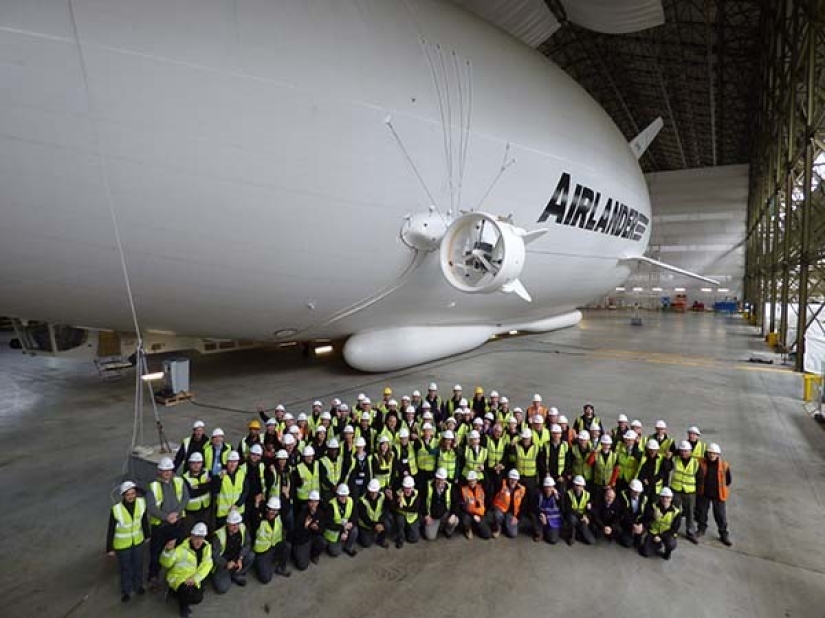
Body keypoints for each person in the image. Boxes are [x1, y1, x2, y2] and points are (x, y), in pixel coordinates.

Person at [147, 457, 189, 588]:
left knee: (178, 550)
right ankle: (153, 577)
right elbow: (151, 507)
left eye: (169, 470)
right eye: (164, 470)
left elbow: (185, 498)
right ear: (159, 471)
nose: (167, 473)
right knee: (156, 553)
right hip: (161, 526)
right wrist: (166, 517)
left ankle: (177, 574)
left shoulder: (179, 481)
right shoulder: (153, 486)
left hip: (177, 523)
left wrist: (176, 513)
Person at [106, 480, 150, 602]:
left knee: (138, 565)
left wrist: (147, 535)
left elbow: (144, 521)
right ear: (123, 496)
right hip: (122, 545)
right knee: (125, 568)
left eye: (133, 493)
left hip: (138, 541)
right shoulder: (116, 510)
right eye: (128, 494)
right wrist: (109, 548)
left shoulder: (141, 503)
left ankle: (139, 586)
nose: (131, 496)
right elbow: (111, 529)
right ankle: (126, 590)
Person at [160, 522, 213, 618]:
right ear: (191, 536)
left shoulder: (207, 547)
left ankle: (176, 593)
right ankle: (183, 608)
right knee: (186, 591)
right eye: (196, 537)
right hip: (178, 577)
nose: (199, 541)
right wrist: (167, 551)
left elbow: (207, 565)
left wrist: (195, 578)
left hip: (193, 577)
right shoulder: (181, 548)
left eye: (201, 538)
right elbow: (166, 564)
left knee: (197, 599)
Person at [696, 442, 732, 546]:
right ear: (706, 453)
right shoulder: (701, 463)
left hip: (718, 495)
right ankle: (701, 529)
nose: (712, 455)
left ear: (718, 455)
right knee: (702, 513)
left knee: (720, 515)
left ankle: (723, 534)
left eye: (714, 453)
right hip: (704, 494)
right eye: (710, 453)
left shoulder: (724, 465)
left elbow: (728, 481)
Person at [211, 508, 253, 593]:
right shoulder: (218, 535)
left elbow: (247, 544)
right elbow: (215, 556)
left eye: (237, 524)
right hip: (224, 563)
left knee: (251, 556)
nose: (235, 527)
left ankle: (236, 574)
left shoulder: (242, 528)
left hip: (237, 558)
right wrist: (226, 564)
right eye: (233, 524)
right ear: (227, 524)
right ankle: (229, 574)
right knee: (222, 589)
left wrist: (240, 558)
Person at [253, 497, 292, 582]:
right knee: (266, 579)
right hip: (263, 552)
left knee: (287, 546)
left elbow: (287, 508)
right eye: (270, 510)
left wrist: (286, 496)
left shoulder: (278, 517)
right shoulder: (259, 520)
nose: (272, 512)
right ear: (267, 509)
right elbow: (254, 519)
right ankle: (267, 564)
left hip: (275, 547)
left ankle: (280, 568)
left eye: (275, 510)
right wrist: (256, 504)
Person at [670, 440, 699, 544]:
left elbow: (699, 478)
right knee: (674, 511)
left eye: (686, 451)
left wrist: (698, 492)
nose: (684, 453)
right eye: (682, 451)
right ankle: (673, 530)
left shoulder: (695, 462)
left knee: (690, 512)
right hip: (676, 489)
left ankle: (690, 532)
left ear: (690, 451)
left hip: (689, 492)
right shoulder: (675, 459)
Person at [640, 487, 682, 560]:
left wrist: (661, 536)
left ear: (671, 498)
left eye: (667, 497)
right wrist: (653, 516)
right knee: (645, 553)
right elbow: (645, 520)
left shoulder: (676, 512)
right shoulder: (654, 507)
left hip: (667, 534)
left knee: (671, 544)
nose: (665, 499)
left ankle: (667, 552)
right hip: (653, 532)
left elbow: (675, 529)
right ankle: (657, 545)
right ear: (660, 497)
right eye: (663, 497)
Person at [292, 490, 327, 569]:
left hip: (313, 537)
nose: (313, 504)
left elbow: (323, 529)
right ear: (308, 502)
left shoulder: (320, 513)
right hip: (303, 539)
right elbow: (296, 534)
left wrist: (317, 528)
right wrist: (305, 527)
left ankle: (313, 555)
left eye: (315, 502)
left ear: (318, 502)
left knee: (323, 542)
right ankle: (298, 553)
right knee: (302, 566)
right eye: (311, 501)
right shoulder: (302, 514)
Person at [214, 451, 247, 529]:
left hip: (238, 512)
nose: (232, 464)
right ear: (227, 462)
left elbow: (245, 491)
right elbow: (214, 490)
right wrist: (219, 479)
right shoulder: (220, 475)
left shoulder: (242, 474)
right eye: (230, 462)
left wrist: (237, 504)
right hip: (223, 514)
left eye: (235, 462)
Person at [423, 468, 458, 540]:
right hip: (432, 516)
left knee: (456, 520)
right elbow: (422, 502)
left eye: (442, 479)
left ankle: (447, 531)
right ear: (435, 478)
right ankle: (437, 527)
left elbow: (456, 502)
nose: (440, 482)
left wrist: (453, 514)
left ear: (445, 479)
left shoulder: (450, 487)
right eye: (438, 479)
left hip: (445, 514)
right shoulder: (427, 486)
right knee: (430, 537)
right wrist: (426, 515)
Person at [324, 484, 359, 557]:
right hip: (334, 532)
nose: (343, 498)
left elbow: (355, 515)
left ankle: (348, 547)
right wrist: (342, 530)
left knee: (355, 530)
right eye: (341, 495)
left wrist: (351, 523)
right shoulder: (331, 505)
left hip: (345, 528)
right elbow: (329, 523)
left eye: (345, 495)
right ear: (337, 495)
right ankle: (330, 544)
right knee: (335, 552)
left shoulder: (351, 501)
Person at [491, 469, 526, 539]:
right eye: (511, 479)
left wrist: (517, 517)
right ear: (508, 478)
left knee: (513, 534)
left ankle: (506, 523)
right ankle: (498, 528)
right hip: (501, 510)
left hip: (512, 513)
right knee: (497, 514)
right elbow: (497, 481)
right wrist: (498, 474)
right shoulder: (502, 484)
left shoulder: (522, 489)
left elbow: (523, 505)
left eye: (515, 479)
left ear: (517, 480)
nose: (513, 481)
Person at [182, 452, 212, 531]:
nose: (196, 465)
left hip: (205, 510)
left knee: (206, 532)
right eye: (193, 463)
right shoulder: (184, 478)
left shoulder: (207, 472)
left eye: (198, 463)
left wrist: (199, 487)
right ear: (189, 464)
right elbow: (190, 494)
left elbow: (214, 486)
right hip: (191, 513)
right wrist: (206, 486)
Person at [358, 479, 391, 548]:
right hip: (366, 525)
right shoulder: (362, 500)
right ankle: (362, 534)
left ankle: (381, 540)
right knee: (366, 543)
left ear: (378, 491)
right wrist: (375, 525)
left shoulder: (382, 496)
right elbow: (364, 517)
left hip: (378, 521)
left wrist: (390, 499)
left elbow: (386, 510)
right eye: (371, 492)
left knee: (388, 525)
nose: (373, 494)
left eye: (375, 492)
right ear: (368, 490)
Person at [459, 471, 490, 539]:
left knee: (487, 535)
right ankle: (468, 529)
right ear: (468, 481)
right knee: (465, 519)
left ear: (476, 480)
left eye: (474, 480)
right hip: (469, 515)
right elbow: (462, 507)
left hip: (480, 514)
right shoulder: (463, 489)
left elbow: (488, 482)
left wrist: (484, 471)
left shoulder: (482, 487)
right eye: (470, 480)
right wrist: (473, 515)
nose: (472, 482)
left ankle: (476, 527)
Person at [564, 475, 595, 545]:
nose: (578, 487)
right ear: (574, 485)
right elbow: (568, 509)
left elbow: (590, 510)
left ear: (583, 486)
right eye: (577, 485)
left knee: (591, 541)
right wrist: (581, 516)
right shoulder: (568, 494)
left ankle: (578, 534)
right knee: (572, 519)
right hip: (573, 516)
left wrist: (587, 517)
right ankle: (571, 536)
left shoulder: (588, 495)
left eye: (580, 486)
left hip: (583, 518)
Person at [619, 479, 648, 548]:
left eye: (638, 492)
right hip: (627, 522)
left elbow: (647, 513)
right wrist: (632, 525)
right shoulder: (623, 495)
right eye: (635, 492)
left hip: (638, 523)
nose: (637, 494)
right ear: (630, 490)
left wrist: (642, 525)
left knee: (638, 544)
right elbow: (624, 513)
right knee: (627, 543)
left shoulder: (644, 498)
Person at [393, 476, 421, 548]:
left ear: (413, 487)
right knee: (400, 519)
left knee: (413, 539)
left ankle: (408, 530)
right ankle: (400, 538)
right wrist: (397, 502)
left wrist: (402, 508)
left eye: (410, 488)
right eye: (406, 488)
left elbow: (415, 509)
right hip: (402, 518)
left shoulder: (417, 494)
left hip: (412, 519)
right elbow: (393, 508)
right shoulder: (397, 494)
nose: (408, 490)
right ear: (403, 487)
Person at [535, 476, 563, 544]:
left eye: (550, 487)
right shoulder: (539, 495)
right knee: (533, 515)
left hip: (554, 522)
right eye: (546, 487)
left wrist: (558, 498)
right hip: (542, 519)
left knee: (552, 540)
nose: (548, 489)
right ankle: (540, 533)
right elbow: (533, 508)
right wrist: (541, 514)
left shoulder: (558, 496)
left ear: (553, 487)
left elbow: (563, 508)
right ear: (544, 487)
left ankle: (548, 531)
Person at [293, 445, 321, 513]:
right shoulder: (298, 467)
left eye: (311, 456)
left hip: (315, 497)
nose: (309, 458)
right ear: (303, 457)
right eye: (307, 456)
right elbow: (294, 482)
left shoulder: (318, 464)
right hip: (303, 499)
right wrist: (300, 482)